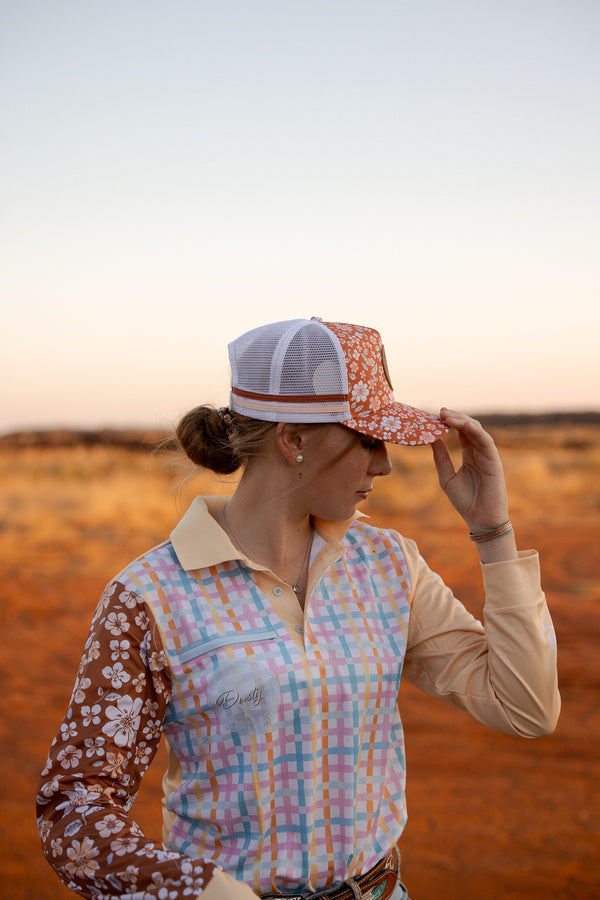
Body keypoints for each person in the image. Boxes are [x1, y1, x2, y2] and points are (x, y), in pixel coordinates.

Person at [37, 317, 559, 900]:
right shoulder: (149, 596)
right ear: (293, 440)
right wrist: (203, 892)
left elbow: (527, 707)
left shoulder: (388, 564)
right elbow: (73, 806)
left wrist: (492, 530)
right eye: (367, 439)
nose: (384, 465)